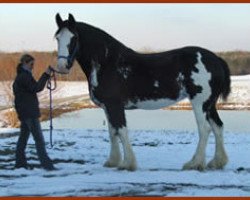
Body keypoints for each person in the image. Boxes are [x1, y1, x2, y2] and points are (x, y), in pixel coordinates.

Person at [13, 54, 55, 171]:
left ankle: (20, 164)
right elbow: (36, 88)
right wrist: (46, 74)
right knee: (39, 140)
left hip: (25, 112)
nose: (33, 67)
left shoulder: (22, 76)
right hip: (29, 113)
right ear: (25, 63)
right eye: (31, 64)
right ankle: (47, 166)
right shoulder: (24, 77)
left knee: (23, 139)